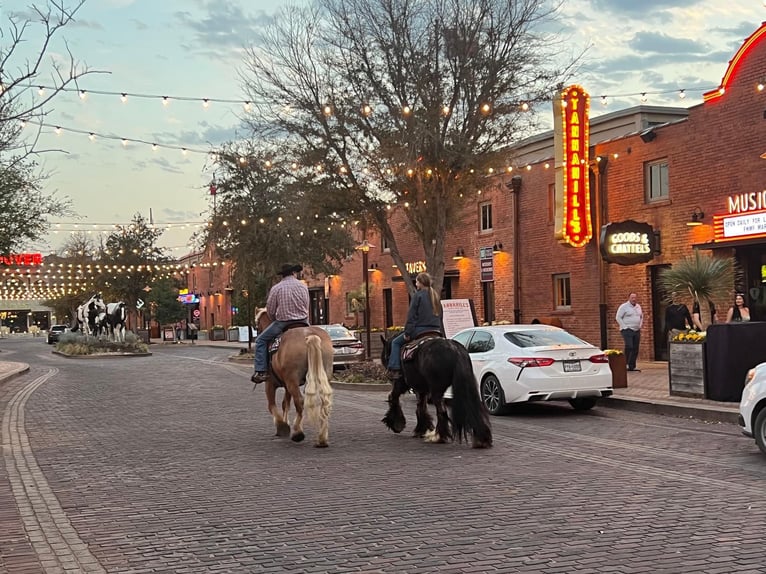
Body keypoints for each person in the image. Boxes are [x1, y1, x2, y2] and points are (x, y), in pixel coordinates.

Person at [251, 264, 310, 384]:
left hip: (284, 322)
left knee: (260, 341)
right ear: (294, 273)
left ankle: (261, 371)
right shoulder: (303, 286)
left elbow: (271, 310)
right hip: (303, 321)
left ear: (282, 275)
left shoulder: (277, 288)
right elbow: (306, 304)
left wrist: (274, 318)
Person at [387, 272, 444, 378]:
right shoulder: (436, 296)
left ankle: (394, 368)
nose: (416, 283)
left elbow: (412, 316)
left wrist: (408, 332)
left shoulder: (418, 296)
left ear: (421, 283)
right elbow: (441, 316)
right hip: (436, 330)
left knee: (395, 343)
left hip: (420, 330)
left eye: (417, 281)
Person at [615, 292, 643, 372]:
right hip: (627, 330)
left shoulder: (638, 307)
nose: (634, 299)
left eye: (635, 298)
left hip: (636, 330)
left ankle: (632, 366)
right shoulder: (624, 307)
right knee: (629, 346)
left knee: (635, 348)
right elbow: (618, 317)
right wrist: (625, 327)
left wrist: (640, 325)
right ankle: (625, 364)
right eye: (632, 298)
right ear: (629, 298)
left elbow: (641, 316)